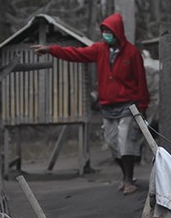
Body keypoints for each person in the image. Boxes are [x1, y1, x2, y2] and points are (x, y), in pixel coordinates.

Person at [32, 13, 149, 195]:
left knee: (125, 140)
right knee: (112, 142)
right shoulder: (99, 50)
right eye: (104, 32)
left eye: (109, 32)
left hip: (128, 105)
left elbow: (141, 81)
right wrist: (50, 50)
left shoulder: (132, 53)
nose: (105, 35)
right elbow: (76, 54)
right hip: (107, 106)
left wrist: (143, 107)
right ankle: (125, 175)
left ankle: (128, 178)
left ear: (117, 32)